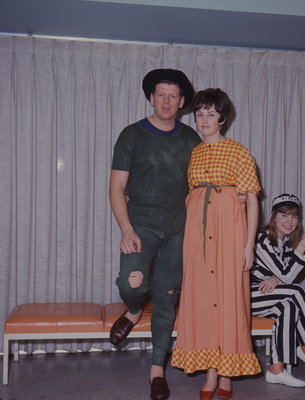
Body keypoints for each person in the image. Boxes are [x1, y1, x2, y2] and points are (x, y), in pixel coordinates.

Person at [108, 68, 201, 400]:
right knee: (130, 283)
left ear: (182, 102)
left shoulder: (192, 139)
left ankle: (157, 370)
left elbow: (202, 186)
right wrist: (126, 230)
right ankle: (133, 310)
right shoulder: (131, 135)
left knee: (166, 299)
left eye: (172, 95)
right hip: (140, 226)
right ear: (151, 97)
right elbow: (117, 187)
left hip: (178, 229)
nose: (166, 100)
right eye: (160, 94)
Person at [171, 88, 262, 400]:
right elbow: (192, 195)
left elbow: (251, 200)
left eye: (211, 114)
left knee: (228, 297)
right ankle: (210, 371)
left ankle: (226, 374)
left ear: (223, 117)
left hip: (230, 233)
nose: (204, 120)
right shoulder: (194, 152)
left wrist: (249, 245)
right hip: (197, 236)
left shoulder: (239, 152)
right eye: (199, 113)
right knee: (201, 300)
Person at [250, 193, 305, 387]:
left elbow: (284, 275)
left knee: (288, 307)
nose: (290, 221)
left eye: (294, 216)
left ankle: (276, 369)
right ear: (274, 217)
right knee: (296, 292)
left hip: (268, 297)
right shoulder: (262, 239)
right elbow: (288, 278)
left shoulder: (286, 243)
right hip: (246, 297)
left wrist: (276, 277)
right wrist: (301, 249)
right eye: (284, 215)